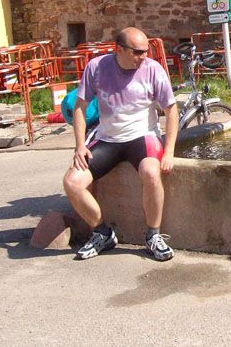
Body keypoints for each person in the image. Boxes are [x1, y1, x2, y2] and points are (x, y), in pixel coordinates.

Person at [63, 27, 179, 261]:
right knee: (72, 182)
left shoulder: (153, 69)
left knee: (151, 172)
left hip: (143, 136)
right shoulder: (97, 67)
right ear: (119, 50)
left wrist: (169, 152)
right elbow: (80, 107)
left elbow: (171, 110)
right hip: (108, 138)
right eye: (137, 52)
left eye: (146, 51)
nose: (143, 57)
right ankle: (102, 232)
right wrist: (80, 145)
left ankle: (153, 236)